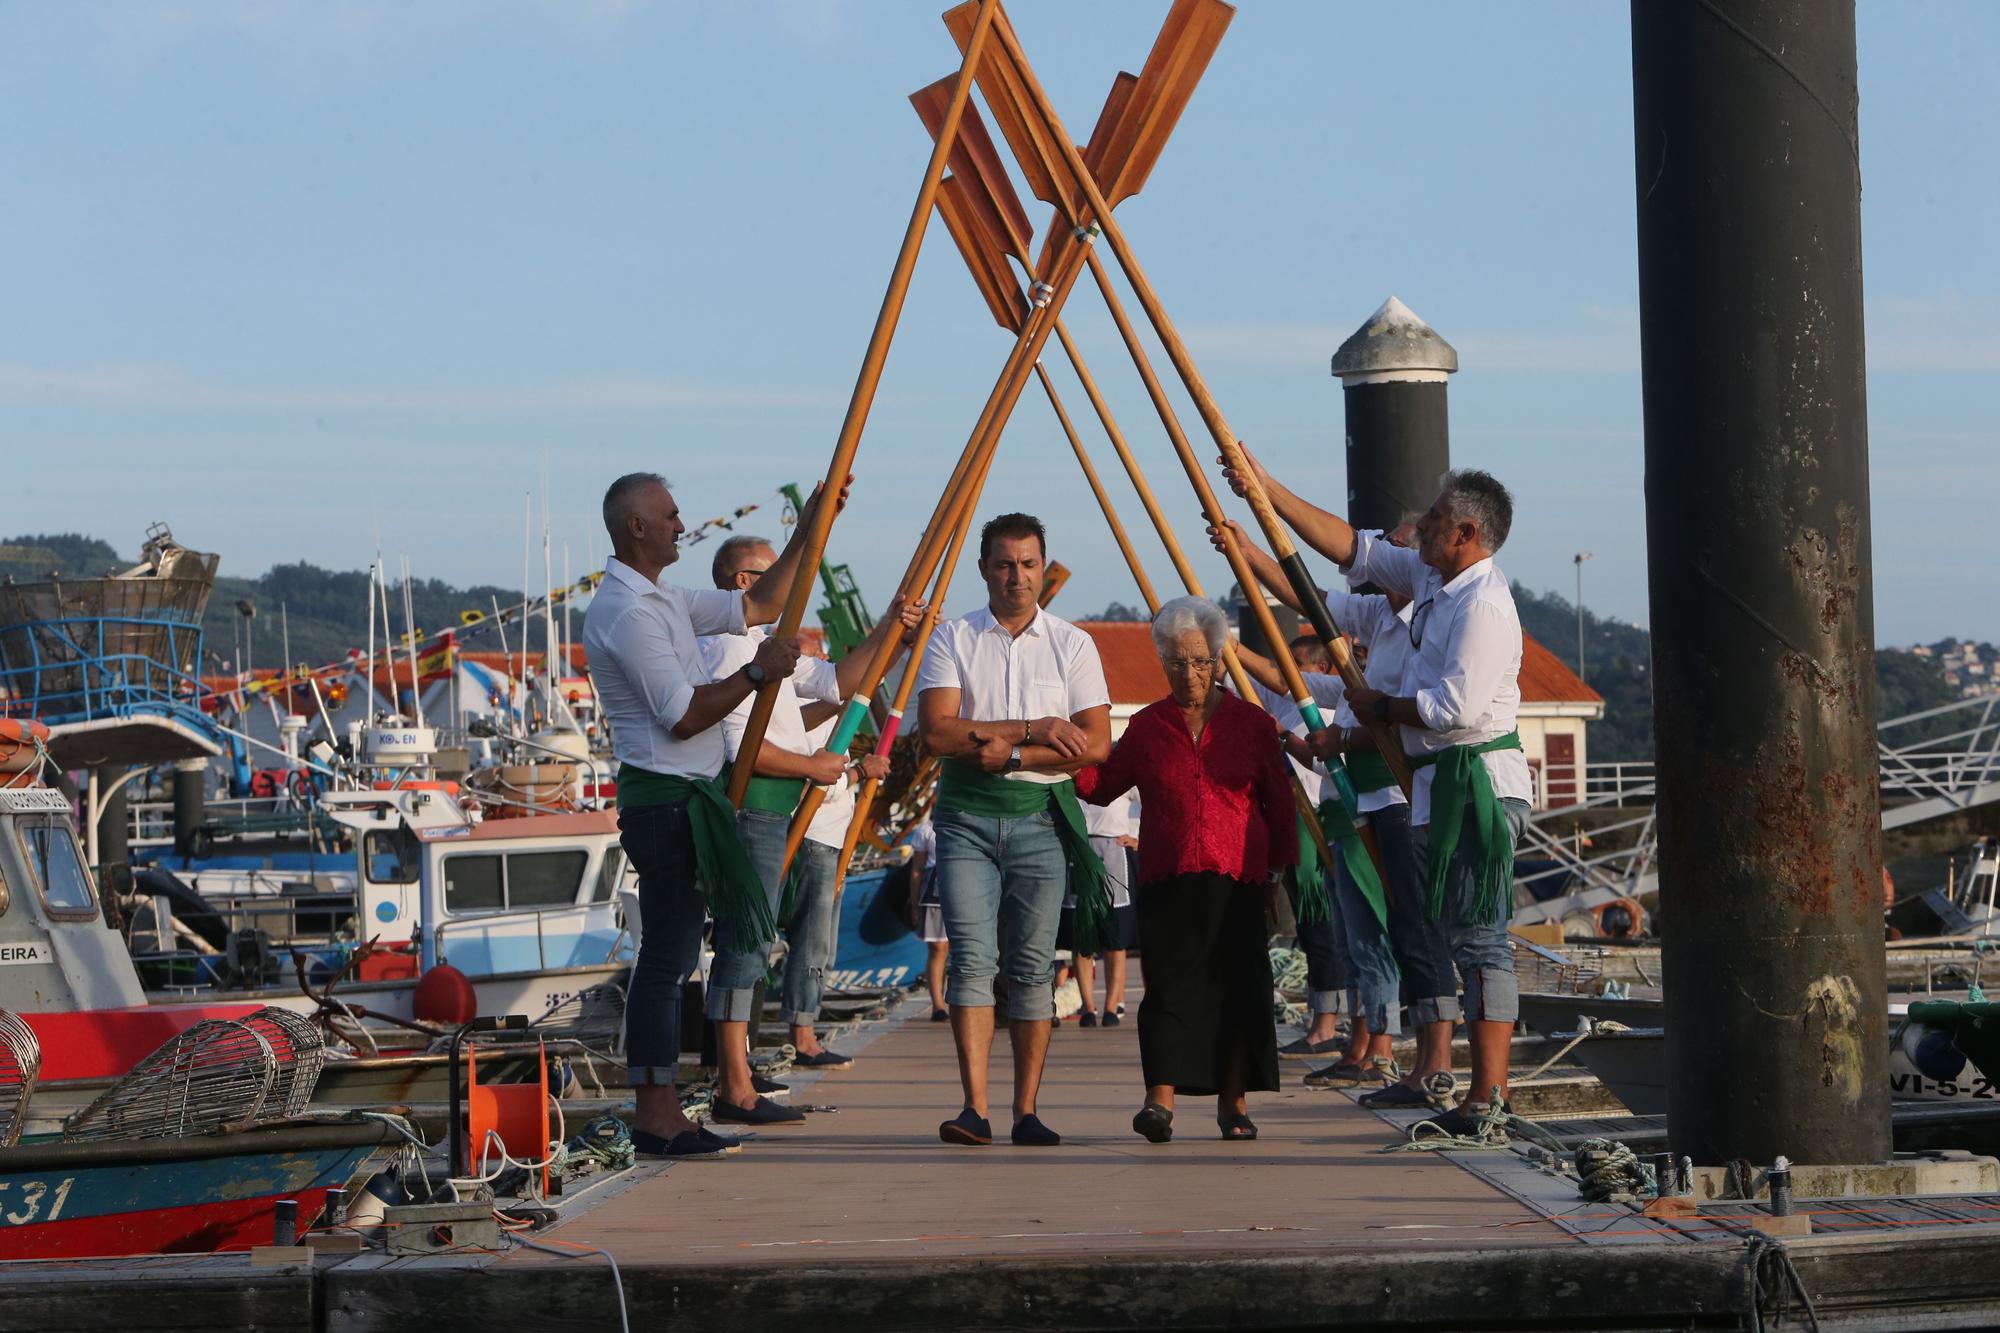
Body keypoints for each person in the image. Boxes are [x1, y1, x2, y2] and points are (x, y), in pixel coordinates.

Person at [1223, 455, 1529, 1138]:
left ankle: (1488, 1093)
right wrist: (1264, 489)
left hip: (1473, 786)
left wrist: (1379, 707)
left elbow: (1455, 707)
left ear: (1468, 533)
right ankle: (1475, 1088)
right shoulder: (1432, 578)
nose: (1421, 531)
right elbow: (1348, 547)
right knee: (1455, 935)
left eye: (1437, 520)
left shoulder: (1482, 604)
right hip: (1434, 788)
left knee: (1479, 939)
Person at [583, 471, 837, 1159]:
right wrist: (757, 673)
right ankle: (656, 1112)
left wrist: (809, 526)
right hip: (665, 801)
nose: (680, 522)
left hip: (685, 798)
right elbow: (685, 712)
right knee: (666, 958)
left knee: (675, 957)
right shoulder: (628, 612)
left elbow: (758, 602)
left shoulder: (660, 596)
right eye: (668, 514)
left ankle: (664, 1105)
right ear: (635, 527)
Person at [1222, 523, 1449, 1102]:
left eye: (1394, 546)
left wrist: (1345, 741)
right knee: (1364, 934)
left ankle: (1397, 1051)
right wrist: (1247, 555)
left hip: (1401, 797)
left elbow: (1418, 715)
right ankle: (1370, 1044)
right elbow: (1311, 601)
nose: (1380, 560)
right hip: (1357, 806)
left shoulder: (1438, 619)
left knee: (1404, 930)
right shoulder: (1378, 620)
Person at [700, 534, 921, 1123]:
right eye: (771, 574)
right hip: (753, 804)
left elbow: (838, 684)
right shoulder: (727, 649)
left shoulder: (763, 644)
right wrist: (812, 766)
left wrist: (888, 630)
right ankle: (734, 1084)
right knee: (745, 939)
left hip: (780, 806)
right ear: (743, 583)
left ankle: (741, 1075)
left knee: (757, 939)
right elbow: (740, 751)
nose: (788, 584)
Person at [916, 513, 1112, 1147]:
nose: (1017, 577)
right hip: (966, 818)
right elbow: (938, 732)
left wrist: (1012, 754)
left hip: (1040, 817)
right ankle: (974, 1108)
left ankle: (1026, 1110)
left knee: (1031, 968)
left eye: (1028, 564)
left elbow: (1097, 744)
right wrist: (1032, 729)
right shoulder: (953, 638)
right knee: (972, 961)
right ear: (984, 569)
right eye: (1004, 564)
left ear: (1042, 566)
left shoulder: (1073, 644)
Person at [1075, 596, 1296, 1144]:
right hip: (1168, 874)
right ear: (1162, 663)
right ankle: (1159, 1101)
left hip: (1239, 876)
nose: (1190, 673)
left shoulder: (1253, 724)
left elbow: (1279, 803)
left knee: (1237, 987)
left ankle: (1233, 1104)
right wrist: (1063, 749)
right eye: (1177, 662)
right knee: (1169, 987)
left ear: (1219, 661)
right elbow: (1102, 784)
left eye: (1200, 661)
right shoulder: (1149, 727)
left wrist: (1281, 873)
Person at [791, 711, 895, 1052]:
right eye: (816, 652)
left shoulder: (834, 719)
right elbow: (807, 785)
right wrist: (859, 773)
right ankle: (803, 1035)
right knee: (812, 941)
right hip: (816, 840)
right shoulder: (803, 714)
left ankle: (809, 1026)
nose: (825, 654)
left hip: (836, 843)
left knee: (825, 947)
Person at [1072, 792, 1139, 1026]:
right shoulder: (1076, 770)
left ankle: (1111, 1006)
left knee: (1115, 934)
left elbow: (1152, 801)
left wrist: (1139, 838)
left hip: (1114, 848)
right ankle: (1088, 1006)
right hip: (1081, 849)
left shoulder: (1122, 769)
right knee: (1083, 931)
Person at [903, 815, 950, 1020]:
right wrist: (914, 904)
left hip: (962, 888)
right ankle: (938, 1005)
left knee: (963, 950)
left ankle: (959, 1001)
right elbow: (917, 870)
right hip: (933, 893)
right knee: (938, 948)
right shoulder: (926, 830)